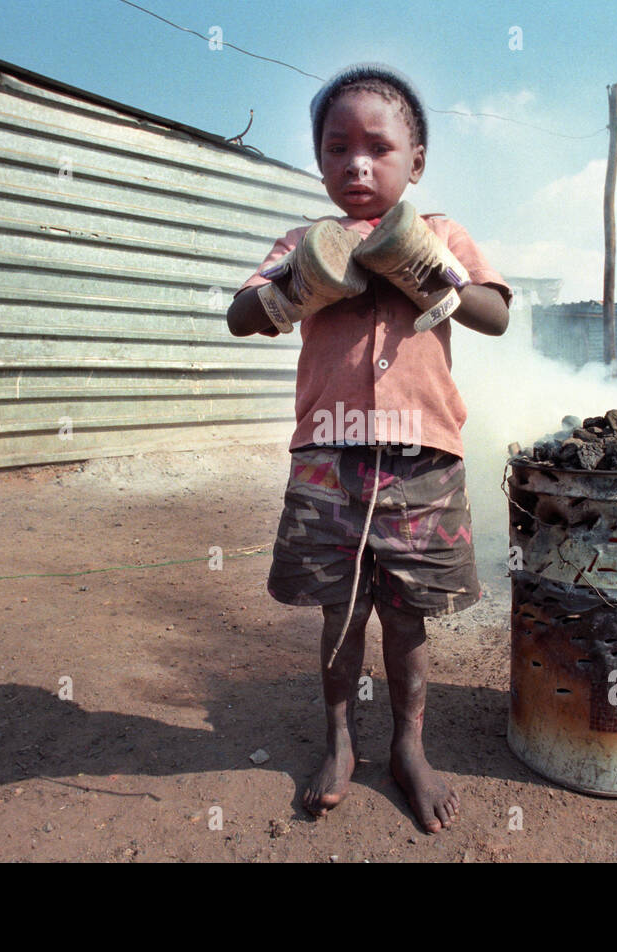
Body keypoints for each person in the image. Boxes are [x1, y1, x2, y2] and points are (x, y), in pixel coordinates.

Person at [227, 64, 511, 833]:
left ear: (415, 161)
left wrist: (423, 268)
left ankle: (409, 748)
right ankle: (341, 740)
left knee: (410, 619)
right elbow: (240, 315)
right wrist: (296, 289)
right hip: (328, 457)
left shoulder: (442, 233)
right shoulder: (303, 242)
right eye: (336, 147)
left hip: (422, 457)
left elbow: (493, 315)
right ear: (319, 162)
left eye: (378, 147)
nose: (357, 162)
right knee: (340, 614)